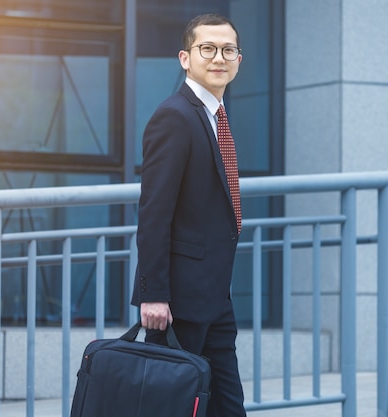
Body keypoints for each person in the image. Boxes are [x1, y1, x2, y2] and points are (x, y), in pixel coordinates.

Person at [131, 13, 246, 417]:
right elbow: (154, 212)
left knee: (228, 407)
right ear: (185, 57)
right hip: (177, 302)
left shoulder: (215, 117)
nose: (219, 58)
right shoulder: (175, 116)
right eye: (207, 49)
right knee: (169, 407)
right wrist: (153, 293)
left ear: (239, 59)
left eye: (228, 49)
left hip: (215, 296)